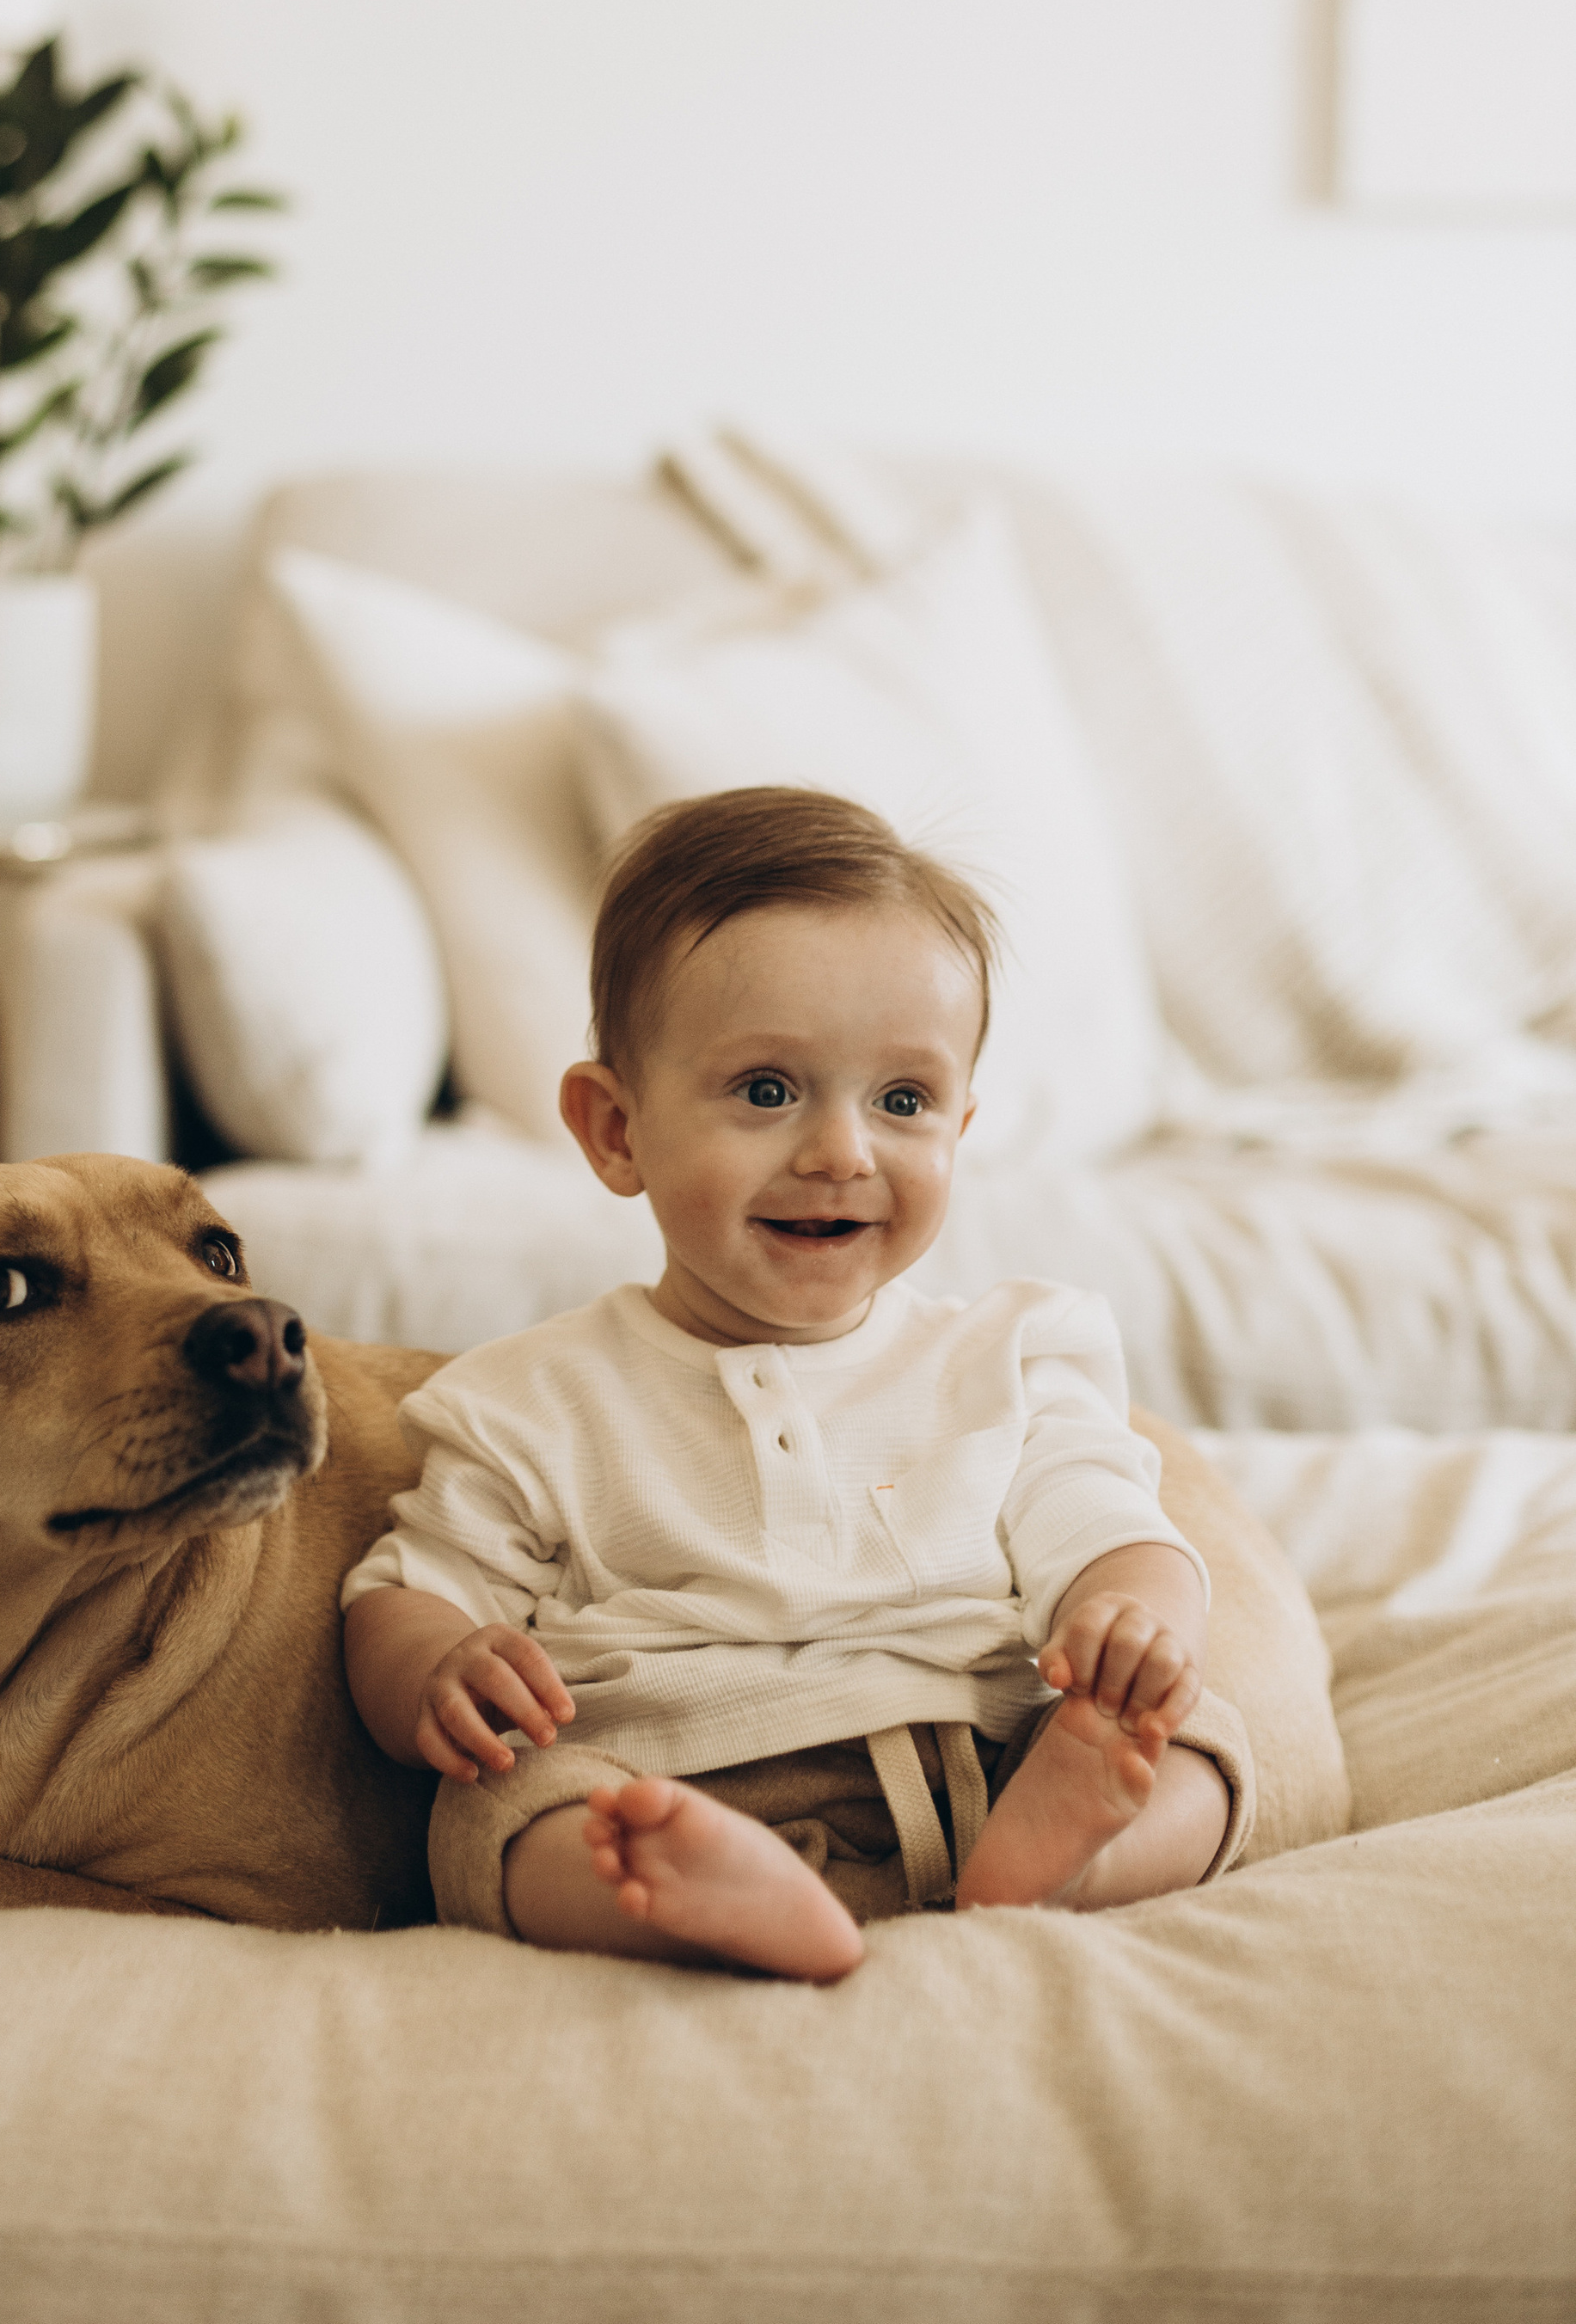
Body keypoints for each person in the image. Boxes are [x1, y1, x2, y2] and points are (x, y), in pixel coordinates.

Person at [341, 785, 1253, 1983]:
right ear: (616, 1129)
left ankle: (1048, 1866)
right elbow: (409, 1589)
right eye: (768, 1091)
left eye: (904, 1101)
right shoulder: (530, 1398)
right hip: (679, 1779)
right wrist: (437, 1668)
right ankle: (727, 1894)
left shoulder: (1010, 1354)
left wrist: (1129, 1630)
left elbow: (1115, 1528)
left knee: (1201, 1745)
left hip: (991, 1751)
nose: (842, 1153)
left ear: (962, 1128)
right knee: (499, 1820)